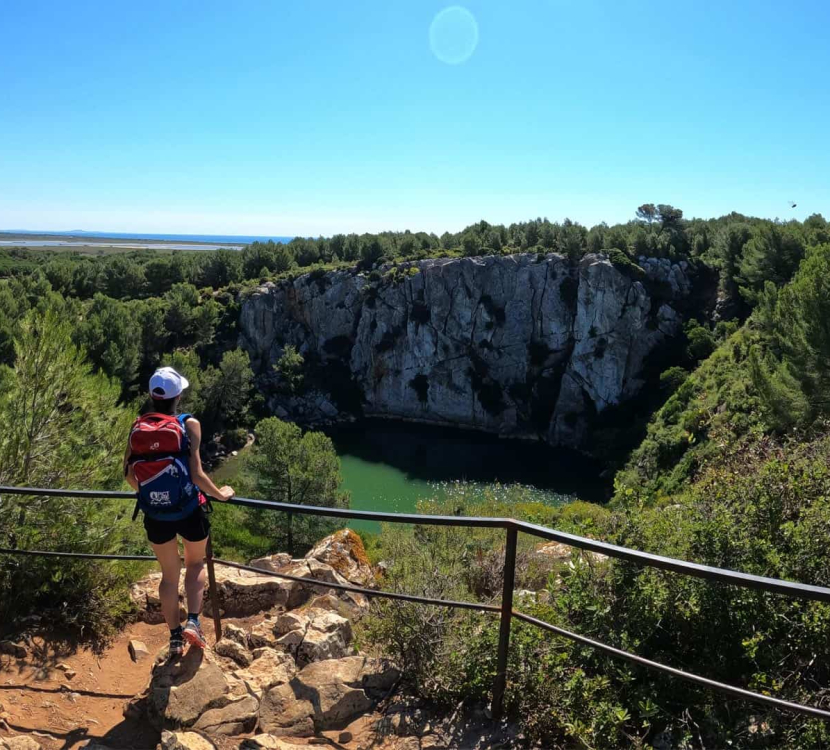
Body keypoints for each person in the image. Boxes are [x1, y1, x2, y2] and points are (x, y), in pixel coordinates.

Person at [124, 366, 234, 657]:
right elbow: (197, 474)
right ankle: (194, 623)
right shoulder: (189, 424)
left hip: (155, 515)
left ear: (152, 396)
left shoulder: (138, 427)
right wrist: (220, 493)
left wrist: (150, 494)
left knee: (169, 576)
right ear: (179, 396)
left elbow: (128, 474)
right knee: (195, 564)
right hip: (188, 510)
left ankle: (175, 638)